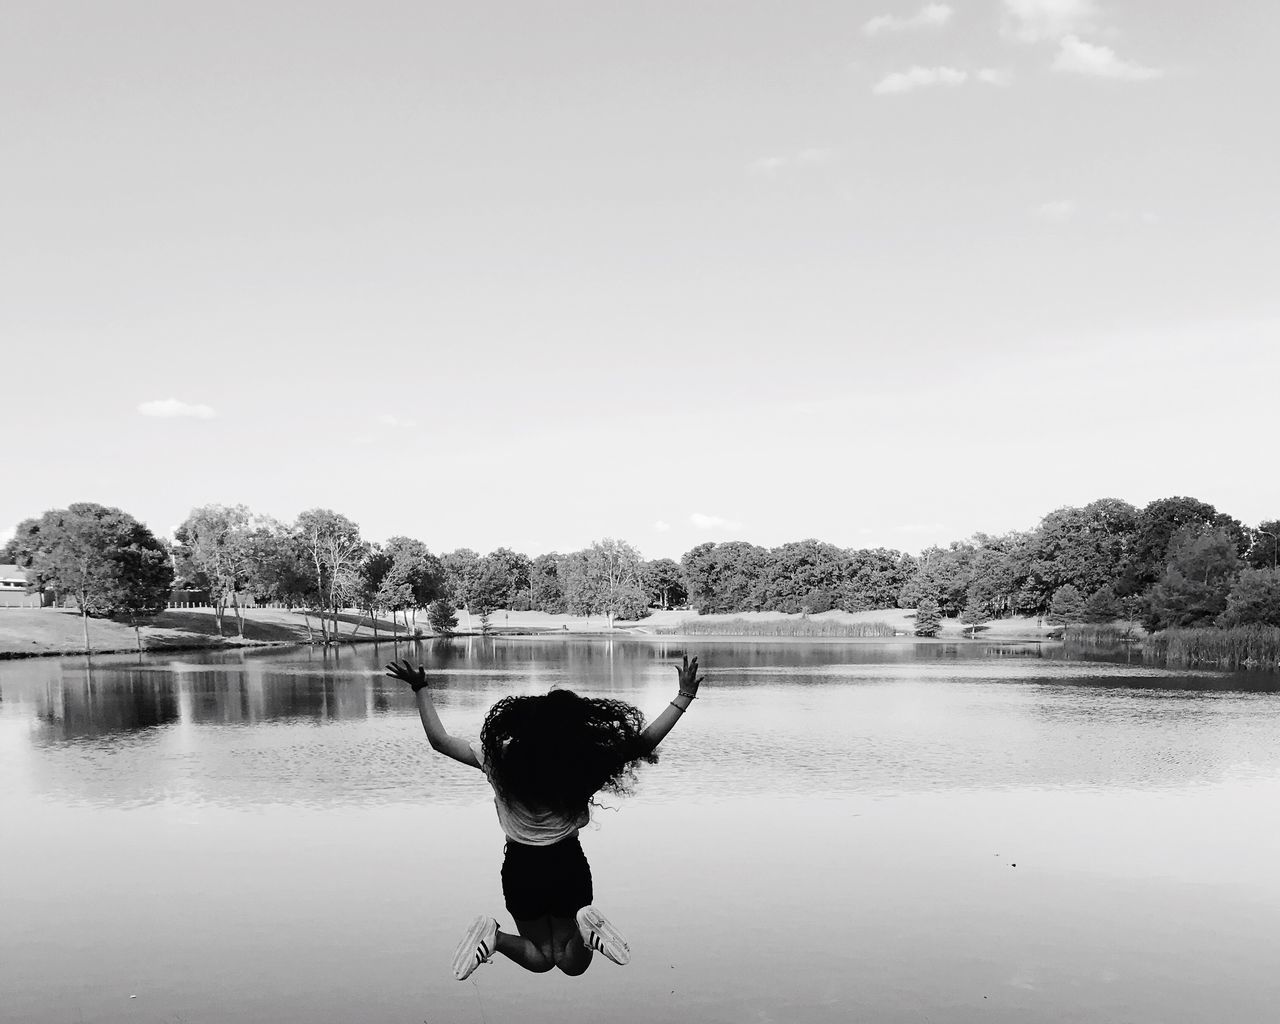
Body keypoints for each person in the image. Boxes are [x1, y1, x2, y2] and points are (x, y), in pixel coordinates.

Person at [386, 654, 704, 981]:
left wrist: (421, 687)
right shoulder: (581, 767)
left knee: (541, 959)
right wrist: (685, 695)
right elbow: (644, 742)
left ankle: (493, 938)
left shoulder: (499, 761)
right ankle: (585, 933)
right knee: (571, 964)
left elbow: (440, 742)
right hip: (567, 863)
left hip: (521, 868)